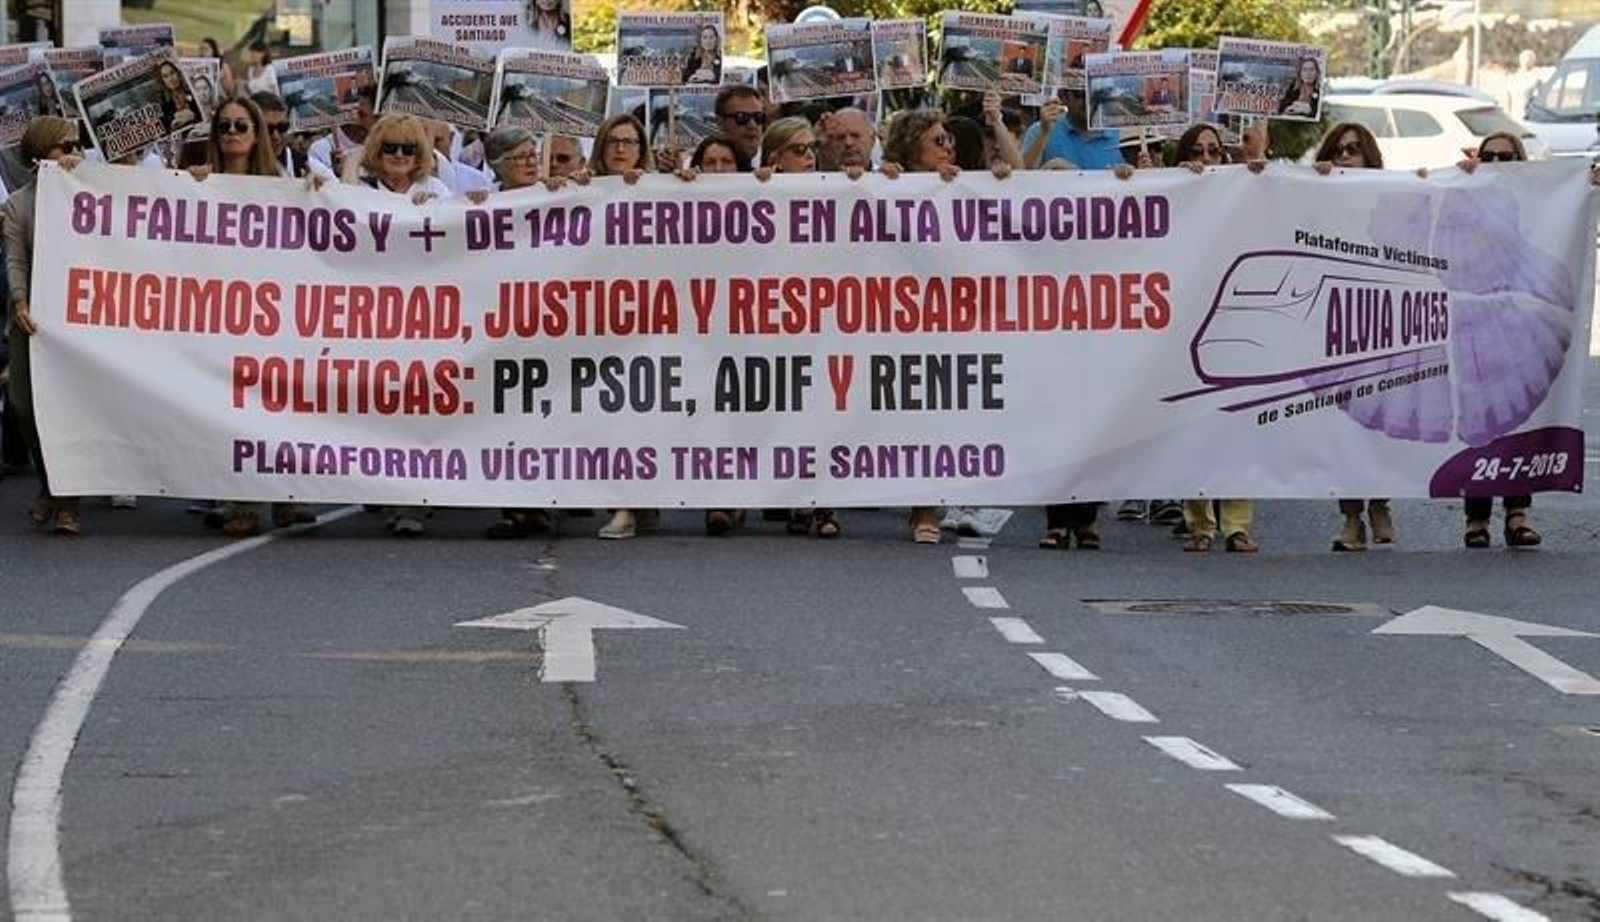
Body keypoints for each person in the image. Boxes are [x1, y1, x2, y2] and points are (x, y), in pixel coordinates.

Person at [187, 97, 316, 536]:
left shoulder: (280, 184)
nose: (232, 133)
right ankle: (242, 500)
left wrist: (319, 190)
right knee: (233, 408)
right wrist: (192, 186)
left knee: (275, 406)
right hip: (220, 312)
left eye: (242, 125)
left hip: (271, 313)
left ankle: (284, 497)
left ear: (257, 132)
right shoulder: (199, 181)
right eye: (224, 125)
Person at [882, 109, 1011, 543]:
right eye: (938, 141)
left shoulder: (964, 187)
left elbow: (1023, 184)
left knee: (949, 410)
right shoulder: (886, 184)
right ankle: (923, 510)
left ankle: (939, 503)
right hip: (903, 317)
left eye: (950, 141)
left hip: (958, 316)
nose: (948, 147)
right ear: (910, 146)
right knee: (920, 412)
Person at [1454, 130, 1542, 548]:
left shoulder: (1539, 198)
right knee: (1480, 417)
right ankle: (1476, 518)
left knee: (1518, 415)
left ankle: (1518, 513)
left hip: (1521, 318)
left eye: (1507, 158)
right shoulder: (1463, 192)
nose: (1497, 163)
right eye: (1489, 156)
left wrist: (1586, 182)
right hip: (1473, 318)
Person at [1312, 122, 1395, 551]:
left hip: (1380, 327)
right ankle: (1351, 520)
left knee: (1377, 422)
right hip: (1334, 326)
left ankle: (1379, 501)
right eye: (1338, 150)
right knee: (1344, 427)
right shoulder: (1313, 193)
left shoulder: (1390, 195)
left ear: (1370, 157)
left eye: (1354, 150)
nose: (1345, 157)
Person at [3, 116, 83, 534]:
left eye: (76, 146)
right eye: (63, 147)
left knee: (67, 409)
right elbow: (15, 258)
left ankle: (66, 501)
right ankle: (49, 485)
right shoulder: (18, 204)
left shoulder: (92, 195)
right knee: (24, 407)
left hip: (78, 325)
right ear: (38, 155)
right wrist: (19, 301)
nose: (73, 154)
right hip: (32, 321)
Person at [589, 114, 655, 540]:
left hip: (649, 320)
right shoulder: (582, 190)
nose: (620, 149)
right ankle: (623, 502)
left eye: (629, 142)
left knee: (637, 414)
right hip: (595, 321)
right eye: (612, 141)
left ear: (641, 149)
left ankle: (629, 507)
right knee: (605, 415)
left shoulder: (661, 189)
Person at [1020, 87, 1121, 170]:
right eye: (1081, 94)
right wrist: (1044, 132)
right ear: (1064, 97)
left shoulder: (1119, 133)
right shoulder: (1040, 130)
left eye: (1095, 94)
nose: (1089, 101)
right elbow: (1022, 177)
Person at [714, 85, 767, 163]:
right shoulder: (701, 169)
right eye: (742, 117)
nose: (752, 125)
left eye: (758, 117)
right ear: (720, 123)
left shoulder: (780, 166)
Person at [816, 107, 874, 172]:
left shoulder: (884, 175)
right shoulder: (814, 179)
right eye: (841, 138)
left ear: (872, 140)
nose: (848, 143)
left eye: (855, 136)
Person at [156, 60, 200, 132]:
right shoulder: (165, 105)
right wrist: (173, 124)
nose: (171, 79)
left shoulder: (193, 92)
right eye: (165, 76)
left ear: (178, 74)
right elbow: (166, 127)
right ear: (163, 81)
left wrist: (193, 116)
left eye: (172, 73)